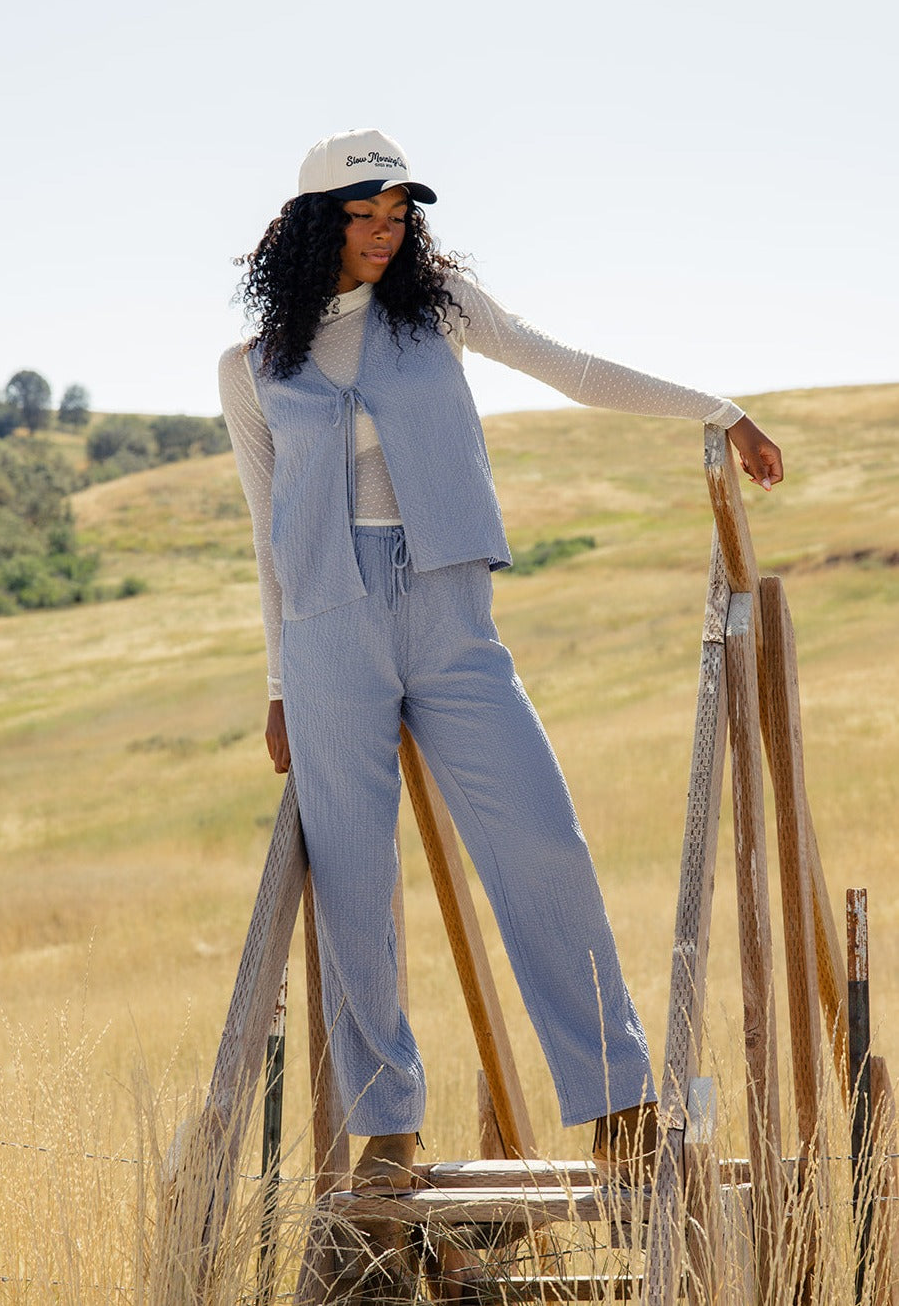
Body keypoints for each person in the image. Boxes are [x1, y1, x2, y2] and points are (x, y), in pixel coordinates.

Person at [219, 128, 783, 1191]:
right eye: (363, 216)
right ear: (311, 225)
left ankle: (619, 1105)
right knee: (352, 880)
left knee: (541, 841)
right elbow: (265, 535)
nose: (386, 234)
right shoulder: (253, 369)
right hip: (327, 628)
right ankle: (386, 1135)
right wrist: (282, 684)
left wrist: (716, 407)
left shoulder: (442, 311)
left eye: (398, 216)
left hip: (449, 610)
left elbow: (565, 367)